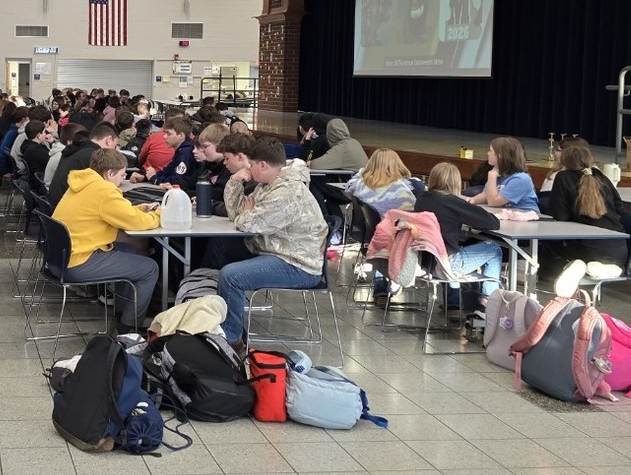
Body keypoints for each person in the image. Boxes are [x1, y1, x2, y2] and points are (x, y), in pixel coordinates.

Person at [214, 137, 328, 352]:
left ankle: (231, 342)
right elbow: (237, 214)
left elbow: (251, 223)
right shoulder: (269, 185)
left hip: (298, 263)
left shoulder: (287, 191)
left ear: (263, 165)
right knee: (220, 245)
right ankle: (219, 312)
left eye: (251, 165)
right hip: (275, 251)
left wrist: (247, 215)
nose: (248, 169)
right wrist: (235, 182)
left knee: (231, 276)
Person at [53, 148, 162, 333]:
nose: (123, 180)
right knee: (150, 269)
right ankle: (129, 326)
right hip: (78, 263)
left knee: (127, 251)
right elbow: (136, 223)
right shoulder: (104, 191)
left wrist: (139, 208)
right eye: (121, 175)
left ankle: (121, 315)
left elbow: (119, 212)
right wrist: (159, 214)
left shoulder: (84, 183)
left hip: (60, 258)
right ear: (109, 173)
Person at [414, 162, 503, 313]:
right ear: (456, 182)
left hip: (427, 261)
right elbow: (492, 223)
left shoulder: (423, 198)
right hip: (448, 264)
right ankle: (487, 301)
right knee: (494, 249)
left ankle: (453, 303)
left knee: (455, 245)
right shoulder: (452, 202)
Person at [539, 140, 628, 281]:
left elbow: (560, 216)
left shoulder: (563, 177)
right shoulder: (600, 176)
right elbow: (619, 206)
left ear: (565, 160)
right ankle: (599, 268)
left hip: (587, 249)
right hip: (618, 251)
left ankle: (571, 268)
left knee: (545, 244)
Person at [47, 122, 119, 209]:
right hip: (68, 209)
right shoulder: (94, 155)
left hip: (57, 205)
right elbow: (105, 187)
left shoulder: (75, 148)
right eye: (114, 146)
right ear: (109, 140)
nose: (114, 151)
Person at [467, 137, 539, 212]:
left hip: (526, 216)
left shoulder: (520, 179)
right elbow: (486, 195)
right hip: (506, 214)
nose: (487, 153)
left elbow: (493, 202)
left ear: (500, 156)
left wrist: (492, 176)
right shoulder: (498, 172)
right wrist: (473, 200)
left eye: (490, 151)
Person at [343, 148, 422, 216]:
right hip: (399, 230)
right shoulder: (412, 185)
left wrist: (363, 173)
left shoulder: (357, 185)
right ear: (398, 164)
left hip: (367, 230)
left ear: (371, 163)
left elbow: (347, 192)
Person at [135, 115, 198, 191]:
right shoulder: (181, 150)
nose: (164, 136)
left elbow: (177, 181)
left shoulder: (186, 152)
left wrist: (155, 179)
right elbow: (167, 172)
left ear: (181, 136)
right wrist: (146, 177)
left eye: (169, 134)